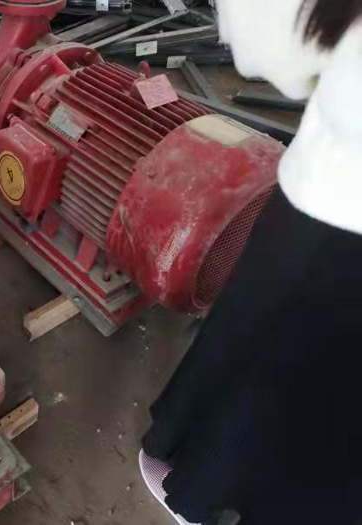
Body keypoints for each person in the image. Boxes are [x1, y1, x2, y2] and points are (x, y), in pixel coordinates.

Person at [141, 1, 362, 524]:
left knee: (270, 367)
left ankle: (205, 487)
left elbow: (269, 54)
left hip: (331, 215)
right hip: (331, 208)